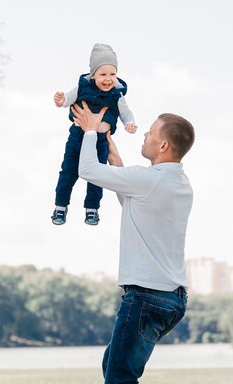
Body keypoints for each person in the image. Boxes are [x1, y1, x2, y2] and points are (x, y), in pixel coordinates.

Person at [72, 101, 195, 384]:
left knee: (119, 377)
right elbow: (136, 202)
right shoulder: (181, 184)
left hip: (146, 296)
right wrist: (119, 167)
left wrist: (90, 131)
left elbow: (88, 170)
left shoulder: (148, 180)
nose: (145, 135)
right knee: (113, 363)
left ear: (163, 145)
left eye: (150, 133)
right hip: (173, 299)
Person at [51, 43, 137, 226]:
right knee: (68, 172)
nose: (108, 79)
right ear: (93, 75)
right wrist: (61, 100)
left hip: (100, 141)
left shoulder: (117, 94)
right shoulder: (82, 87)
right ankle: (60, 206)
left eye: (112, 74)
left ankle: (92, 209)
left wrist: (129, 123)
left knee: (98, 175)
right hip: (77, 137)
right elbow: (68, 99)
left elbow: (126, 113)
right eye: (103, 74)